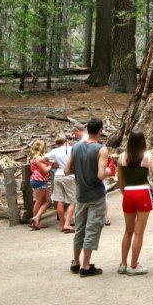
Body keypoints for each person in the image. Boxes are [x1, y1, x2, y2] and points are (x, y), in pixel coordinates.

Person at [65, 118, 110, 277]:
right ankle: (86, 266)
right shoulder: (101, 149)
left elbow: (66, 170)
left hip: (81, 194)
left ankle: (75, 262)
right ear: (100, 131)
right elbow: (100, 175)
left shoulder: (75, 147)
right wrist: (108, 172)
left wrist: (81, 171)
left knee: (80, 228)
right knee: (92, 228)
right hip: (96, 195)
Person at [117, 130, 153, 275]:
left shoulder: (122, 158)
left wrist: (125, 193)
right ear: (143, 141)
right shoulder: (148, 156)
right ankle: (134, 266)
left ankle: (123, 264)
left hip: (128, 193)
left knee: (128, 231)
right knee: (139, 233)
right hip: (142, 193)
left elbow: (120, 182)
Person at [42, 133, 76, 233]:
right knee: (73, 201)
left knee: (60, 201)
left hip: (58, 176)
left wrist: (52, 164)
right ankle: (67, 224)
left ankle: (62, 224)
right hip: (70, 176)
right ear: (66, 141)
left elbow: (41, 159)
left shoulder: (55, 151)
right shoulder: (72, 149)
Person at [28, 139, 54, 230]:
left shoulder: (35, 157)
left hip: (41, 180)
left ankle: (36, 219)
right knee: (39, 201)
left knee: (48, 201)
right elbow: (45, 170)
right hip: (39, 180)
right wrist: (51, 164)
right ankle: (35, 222)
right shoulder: (38, 158)